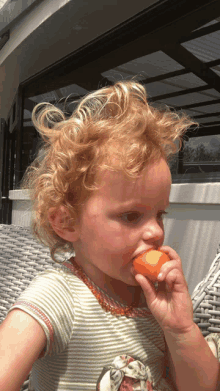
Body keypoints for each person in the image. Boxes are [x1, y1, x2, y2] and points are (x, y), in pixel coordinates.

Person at [0, 80, 219, 391]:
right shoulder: (58, 296)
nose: (156, 231)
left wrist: (181, 330)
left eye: (160, 214)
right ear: (67, 222)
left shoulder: (157, 304)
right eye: (131, 216)